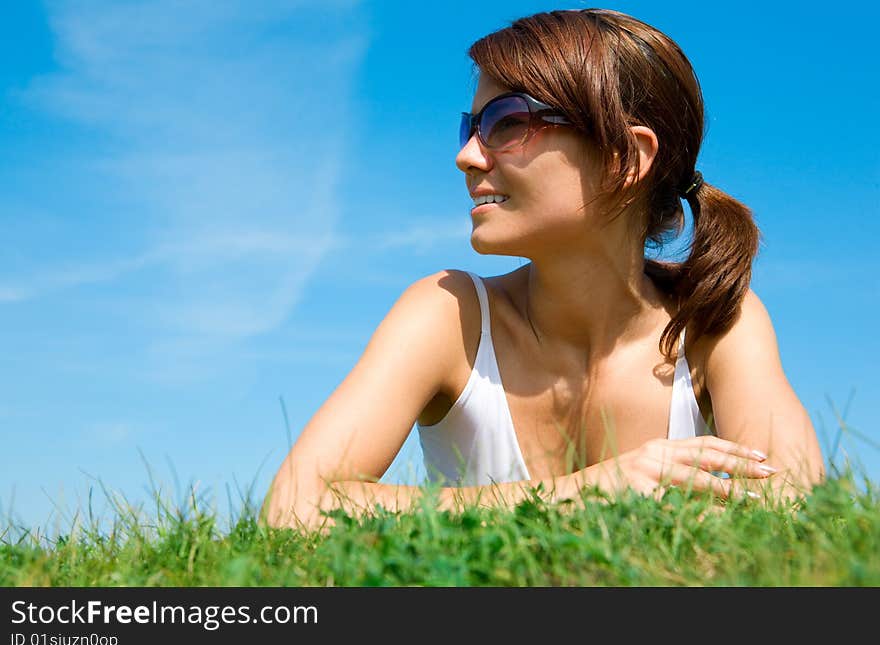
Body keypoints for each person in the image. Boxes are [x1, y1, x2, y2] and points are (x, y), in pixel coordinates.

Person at [261, 8, 825, 533]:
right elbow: (293, 507)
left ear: (624, 158)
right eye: (471, 127)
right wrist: (579, 494)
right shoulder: (448, 314)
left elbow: (796, 508)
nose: (468, 156)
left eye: (506, 123)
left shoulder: (715, 324)